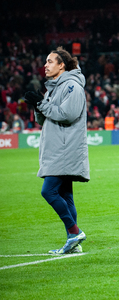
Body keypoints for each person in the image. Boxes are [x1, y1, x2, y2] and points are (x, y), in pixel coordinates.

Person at [24, 47, 89, 254]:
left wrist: (42, 103)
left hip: (65, 148)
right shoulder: (53, 88)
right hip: (58, 147)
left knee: (49, 191)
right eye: (46, 61)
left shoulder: (71, 86)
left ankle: (74, 232)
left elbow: (67, 114)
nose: (46, 65)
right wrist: (37, 105)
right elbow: (42, 119)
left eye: (50, 61)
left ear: (62, 65)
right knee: (65, 195)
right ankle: (74, 244)